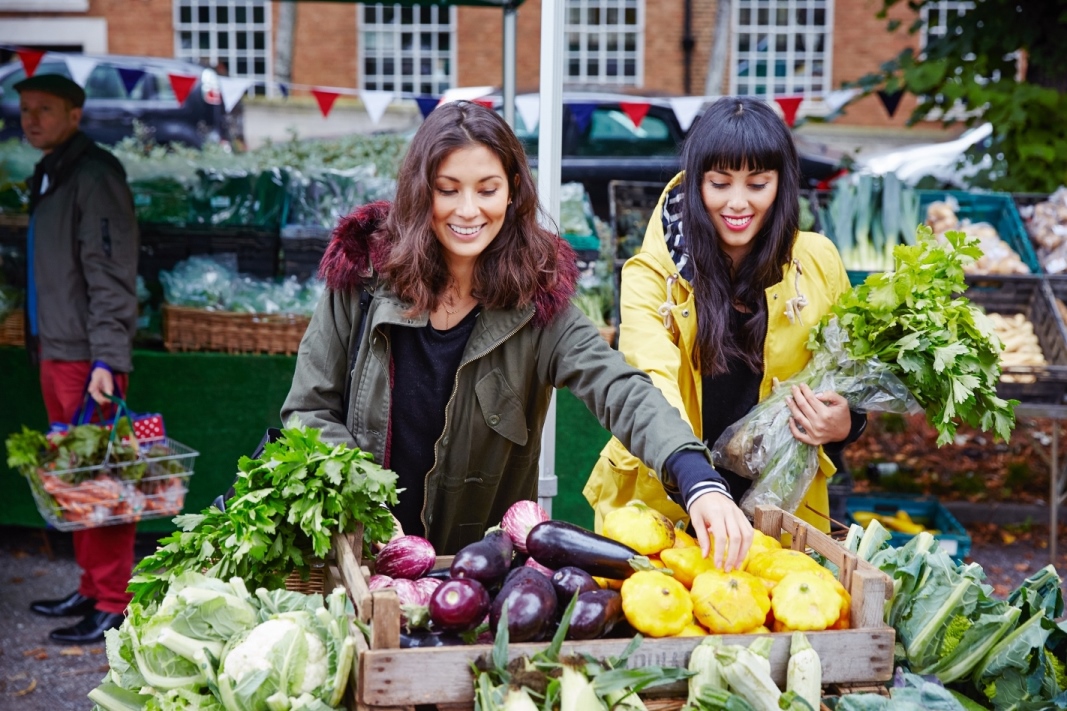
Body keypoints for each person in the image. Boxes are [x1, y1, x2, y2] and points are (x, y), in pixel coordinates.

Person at [281, 101, 752, 569]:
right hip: (352, 567)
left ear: (511, 193)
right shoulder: (362, 282)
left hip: (472, 581)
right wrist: (366, 504)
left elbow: (620, 388)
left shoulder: (539, 303)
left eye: (487, 190)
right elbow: (308, 411)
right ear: (421, 192)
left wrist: (697, 478)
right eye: (448, 190)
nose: (468, 211)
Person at [585, 97, 867, 535]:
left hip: (782, 510)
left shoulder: (818, 262)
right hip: (664, 503)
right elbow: (650, 379)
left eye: (757, 185)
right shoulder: (652, 274)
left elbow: (849, 372)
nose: (737, 203)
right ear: (696, 183)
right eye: (719, 184)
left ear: (782, 184)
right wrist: (697, 480)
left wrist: (847, 423)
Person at [18, 74, 140, 643]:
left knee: (102, 480)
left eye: (44, 109)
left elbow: (111, 274)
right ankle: (91, 586)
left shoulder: (94, 174)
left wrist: (107, 359)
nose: (30, 119)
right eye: (24, 110)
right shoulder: (54, 172)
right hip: (58, 349)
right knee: (75, 478)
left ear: (75, 114)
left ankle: (114, 600)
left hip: (87, 358)